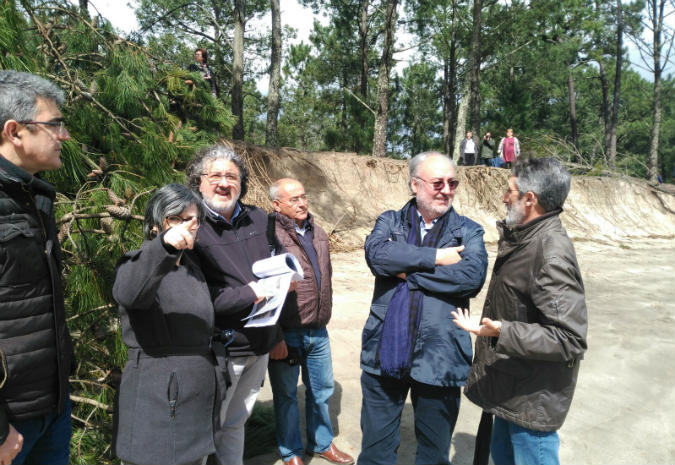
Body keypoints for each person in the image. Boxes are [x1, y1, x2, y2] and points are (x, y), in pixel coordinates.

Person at [452, 157, 588, 465]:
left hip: (532, 403)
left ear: (530, 199)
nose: (503, 197)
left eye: (509, 191)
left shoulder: (549, 252)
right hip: (512, 390)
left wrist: (502, 331)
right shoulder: (526, 239)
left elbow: (569, 338)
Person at [358, 152, 488, 465]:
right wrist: (434, 258)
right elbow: (377, 256)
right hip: (384, 354)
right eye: (437, 183)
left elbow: (470, 279)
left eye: (452, 183)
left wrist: (405, 269)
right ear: (415, 184)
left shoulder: (468, 231)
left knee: (433, 453)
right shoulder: (390, 220)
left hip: (440, 355)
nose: (446, 189)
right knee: (376, 451)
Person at [113, 184, 226, 465]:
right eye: (179, 218)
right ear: (156, 223)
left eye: (195, 219)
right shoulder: (137, 263)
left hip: (197, 400)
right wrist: (163, 246)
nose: (191, 226)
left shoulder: (191, 268)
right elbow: (129, 293)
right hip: (160, 400)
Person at [187, 144, 285, 465]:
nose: (224, 182)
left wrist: (285, 278)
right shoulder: (191, 224)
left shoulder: (259, 218)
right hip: (221, 349)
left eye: (232, 176)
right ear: (199, 181)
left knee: (234, 423)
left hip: (259, 344)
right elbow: (195, 297)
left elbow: (276, 264)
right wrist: (252, 293)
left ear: (242, 183)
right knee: (204, 430)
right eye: (215, 175)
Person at [0, 70, 74, 465]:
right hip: (10, 423)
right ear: (14, 131)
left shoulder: (36, 198)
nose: (64, 136)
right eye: (54, 125)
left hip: (51, 407)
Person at [268, 178, 354, 465]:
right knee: (287, 396)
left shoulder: (318, 232)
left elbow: (324, 275)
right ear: (277, 204)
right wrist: (275, 335)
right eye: (293, 199)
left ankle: (321, 443)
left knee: (322, 391)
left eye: (303, 196)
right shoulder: (269, 235)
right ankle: (291, 452)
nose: (302, 203)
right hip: (287, 331)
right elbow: (266, 288)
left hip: (318, 329)